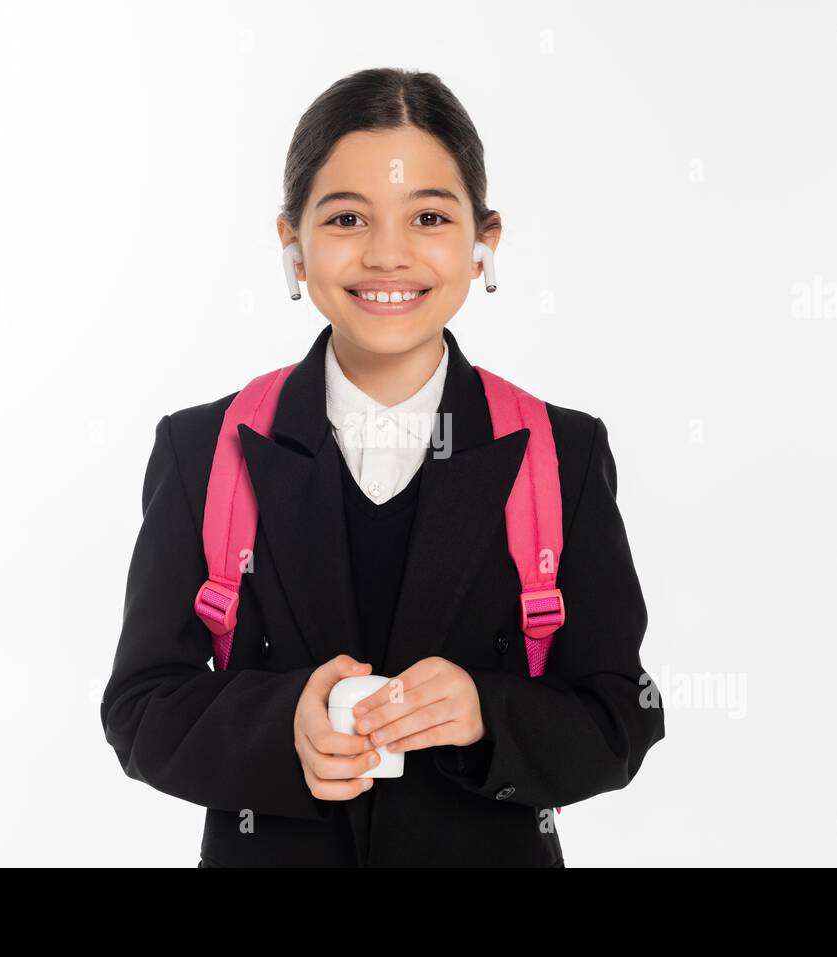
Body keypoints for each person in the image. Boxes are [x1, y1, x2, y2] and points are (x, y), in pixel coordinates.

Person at [100, 67, 665, 867]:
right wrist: (284, 719)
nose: (388, 254)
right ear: (292, 244)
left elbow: (622, 714)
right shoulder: (204, 448)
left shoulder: (560, 452)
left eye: (429, 215)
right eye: (347, 218)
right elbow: (140, 704)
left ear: (483, 243)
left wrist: (486, 712)